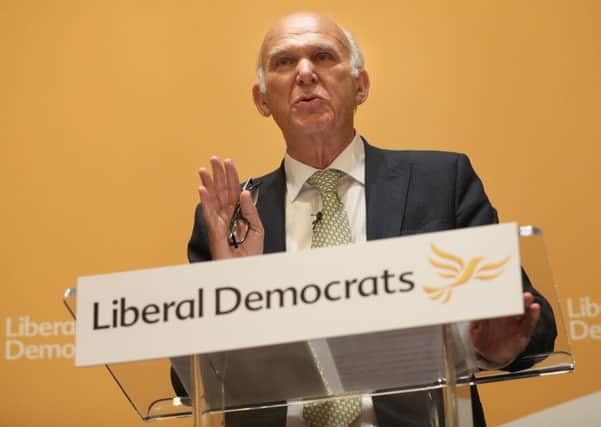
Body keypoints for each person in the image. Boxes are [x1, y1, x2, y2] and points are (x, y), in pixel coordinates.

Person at [185, 12, 556, 427]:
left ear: (360, 85)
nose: (305, 73)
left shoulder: (440, 184)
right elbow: (189, 385)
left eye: (323, 56)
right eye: (284, 62)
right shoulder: (231, 218)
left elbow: (534, 328)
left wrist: (495, 348)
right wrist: (234, 290)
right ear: (261, 100)